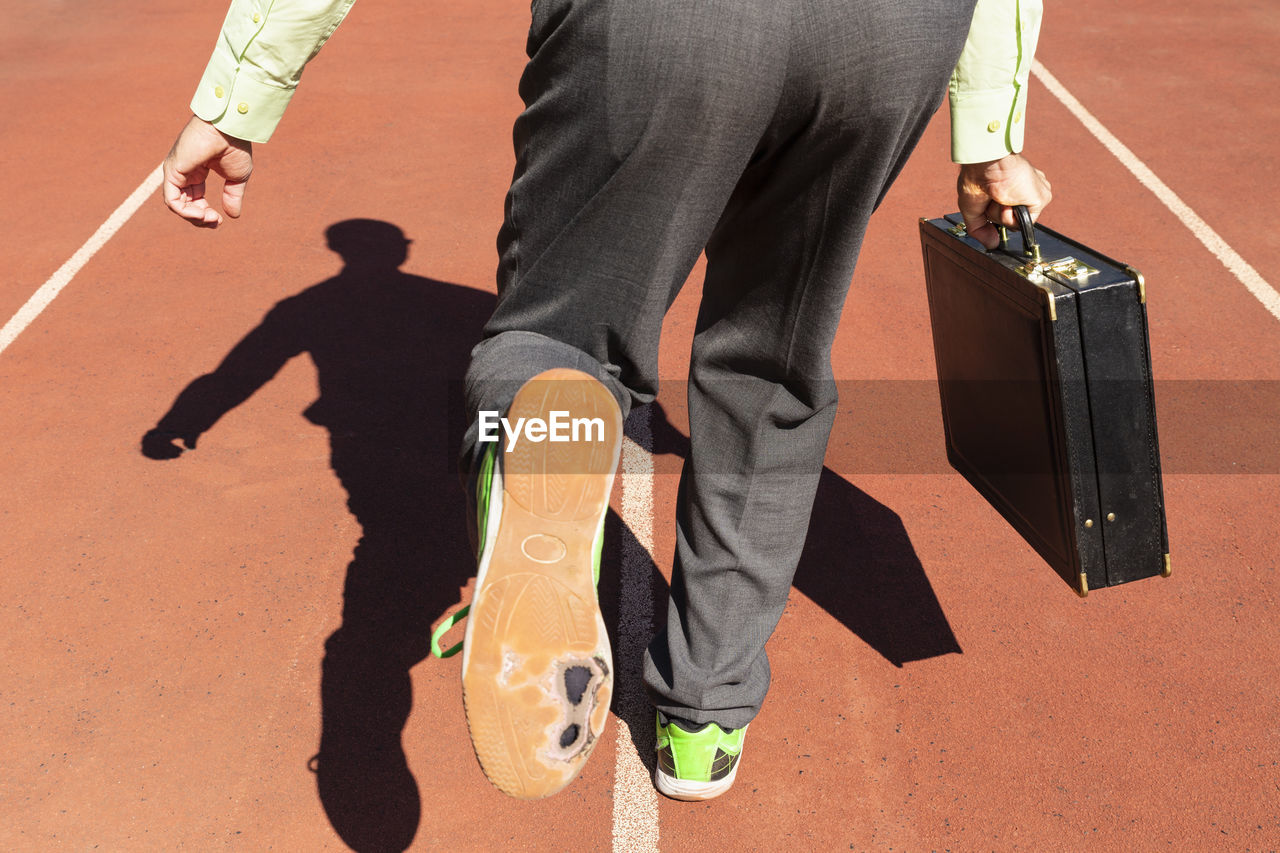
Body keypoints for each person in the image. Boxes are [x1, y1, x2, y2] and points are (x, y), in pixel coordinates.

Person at [162, 0, 1051, 802]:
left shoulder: (324, 302)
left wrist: (238, 98)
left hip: (664, 25)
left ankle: (537, 451)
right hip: (886, 36)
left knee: (557, 343)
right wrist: (991, 133)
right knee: (771, 364)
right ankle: (704, 718)